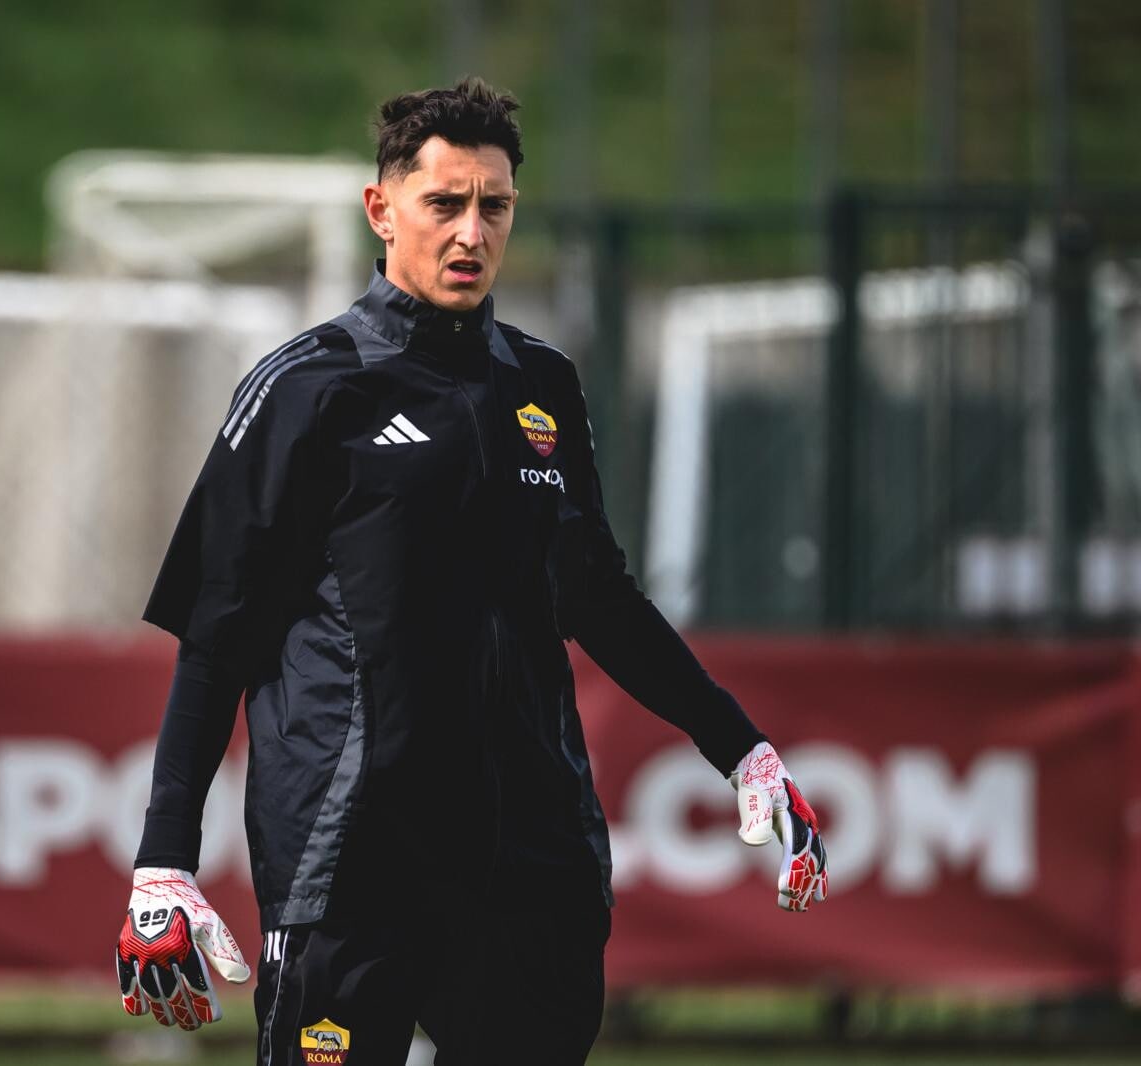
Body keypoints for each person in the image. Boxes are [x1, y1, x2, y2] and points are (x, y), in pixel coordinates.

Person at [114, 78, 828, 1065]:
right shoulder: (304, 389)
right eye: (444, 203)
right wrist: (165, 857)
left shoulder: (543, 384)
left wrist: (741, 749)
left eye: (494, 206)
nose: (470, 232)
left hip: (529, 857)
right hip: (352, 859)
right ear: (382, 208)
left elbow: (599, 598)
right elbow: (216, 636)